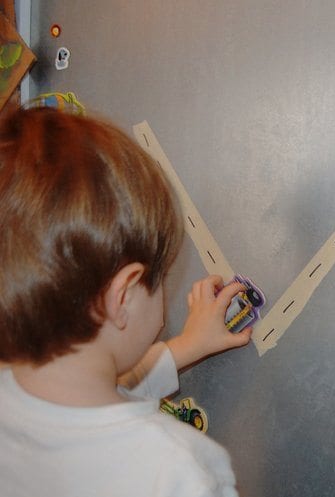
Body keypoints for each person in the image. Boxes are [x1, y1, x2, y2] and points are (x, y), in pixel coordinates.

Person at [0, 107, 251, 497]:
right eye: (161, 277)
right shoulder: (179, 472)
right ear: (124, 294)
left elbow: (104, 387)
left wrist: (186, 346)